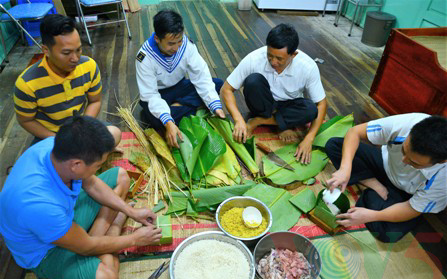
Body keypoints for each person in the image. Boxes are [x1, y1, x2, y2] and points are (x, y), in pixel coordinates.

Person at [0, 116, 162, 279]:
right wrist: (134, 239)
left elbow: (90, 183)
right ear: (76, 165)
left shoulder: (54, 147)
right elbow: (86, 247)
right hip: (45, 250)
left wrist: (130, 211)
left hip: (64, 217)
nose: (99, 169)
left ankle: (96, 236)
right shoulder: (39, 205)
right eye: (98, 165)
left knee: (122, 177)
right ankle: (114, 227)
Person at [325, 113, 447, 243]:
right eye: (404, 150)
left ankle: (372, 194)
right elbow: (355, 132)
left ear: (441, 161)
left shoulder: (443, 180)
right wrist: (345, 169)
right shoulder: (408, 123)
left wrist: (372, 216)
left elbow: (412, 209)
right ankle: (371, 183)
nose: (403, 160)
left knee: (389, 233)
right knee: (334, 145)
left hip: (407, 193)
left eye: (414, 163)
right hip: (384, 165)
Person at [221, 23, 327, 164]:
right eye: (269, 56)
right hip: (264, 105)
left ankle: (260, 121)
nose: (273, 62)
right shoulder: (254, 58)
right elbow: (226, 89)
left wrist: (309, 138)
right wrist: (239, 120)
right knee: (253, 81)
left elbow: (321, 104)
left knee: (311, 109)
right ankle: (279, 123)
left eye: (279, 59)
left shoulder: (307, 66)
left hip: (290, 107)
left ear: (293, 55)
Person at [13, 14, 121, 147]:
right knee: (41, 162)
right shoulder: (27, 84)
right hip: (51, 137)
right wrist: (58, 139)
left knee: (114, 134)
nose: (75, 58)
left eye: (78, 50)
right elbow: (26, 121)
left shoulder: (89, 66)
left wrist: (83, 128)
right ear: (46, 50)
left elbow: (95, 101)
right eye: (66, 53)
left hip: (81, 128)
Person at [136, 10, 225, 148]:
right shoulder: (144, 57)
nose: (177, 48)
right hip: (159, 95)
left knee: (218, 85)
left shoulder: (186, 45)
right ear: (157, 39)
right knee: (156, 120)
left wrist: (215, 105)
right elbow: (150, 95)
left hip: (180, 86)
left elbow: (200, 75)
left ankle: (176, 107)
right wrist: (168, 122)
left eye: (179, 41)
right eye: (171, 43)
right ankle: (180, 110)